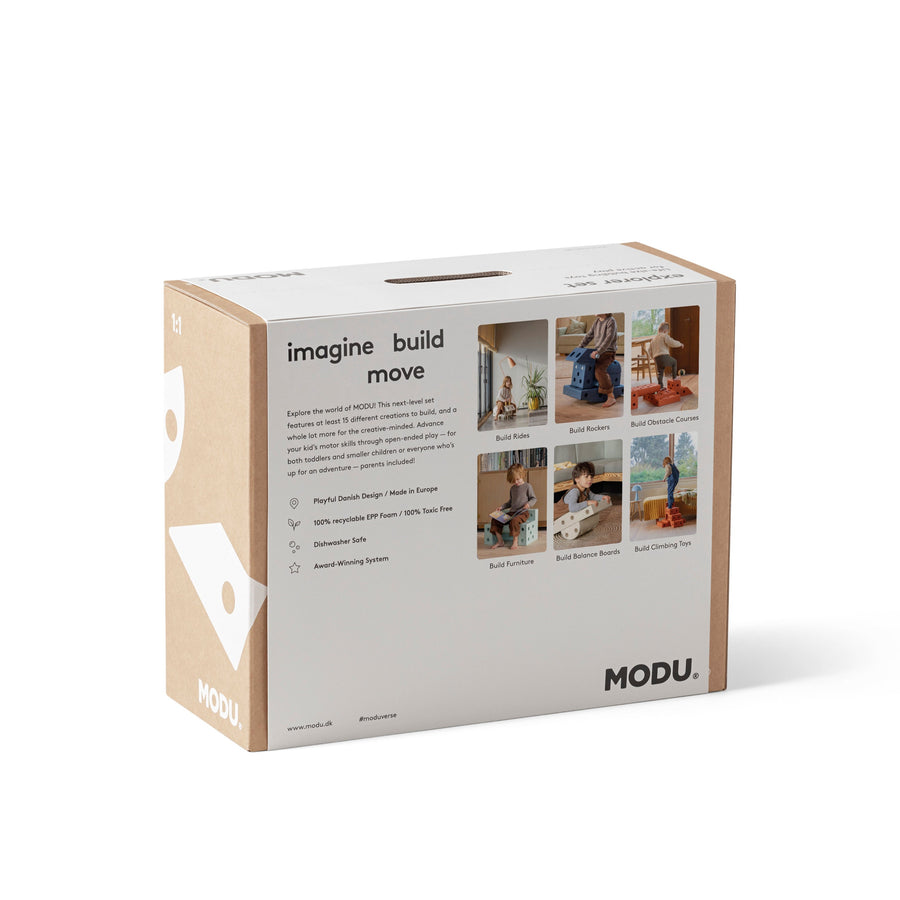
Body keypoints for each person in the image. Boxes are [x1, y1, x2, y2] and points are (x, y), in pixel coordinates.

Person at [489, 462, 536, 550]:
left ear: (522, 475)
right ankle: (500, 541)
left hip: (522, 513)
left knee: (514, 521)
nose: (516, 482)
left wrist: (528, 504)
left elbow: (533, 499)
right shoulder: (513, 489)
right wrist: (502, 507)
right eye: (513, 481)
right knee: (495, 518)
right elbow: (510, 502)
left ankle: (515, 541)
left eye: (517, 479)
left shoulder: (527, 486)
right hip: (512, 513)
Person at [578, 313, 618, 408]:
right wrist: (580, 347)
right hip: (598, 352)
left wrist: (598, 351)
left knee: (599, 370)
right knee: (586, 365)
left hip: (608, 352)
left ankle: (610, 396)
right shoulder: (596, 321)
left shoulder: (611, 321)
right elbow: (589, 335)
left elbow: (609, 339)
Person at [648, 322, 684, 388]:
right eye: (667, 332)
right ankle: (674, 377)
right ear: (665, 331)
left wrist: (652, 357)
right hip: (664, 356)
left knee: (660, 372)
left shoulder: (653, 339)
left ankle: (660, 386)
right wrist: (680, 344)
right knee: (674, 362)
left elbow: (649, 350)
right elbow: (672, 342)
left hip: (656, 358)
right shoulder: (664, 336)